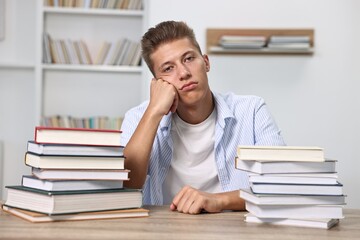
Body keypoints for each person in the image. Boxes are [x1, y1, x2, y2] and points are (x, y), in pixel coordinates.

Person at [120, 20, 285, 215]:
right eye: (168, 68)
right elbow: (126, 186)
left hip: (236, 230)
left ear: (206, 62)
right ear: (157, 83)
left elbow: (279, 185)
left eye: (189, 58)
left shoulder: (252, 111)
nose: (183, 73)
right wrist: (154, 110)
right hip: (161, 230)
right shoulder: (138, 117)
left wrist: (219, 200)